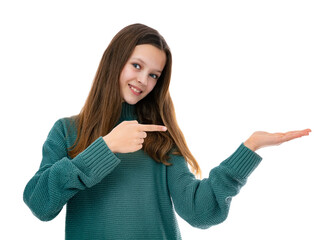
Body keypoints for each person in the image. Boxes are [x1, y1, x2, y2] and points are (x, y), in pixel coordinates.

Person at [23, 23, 311, 240]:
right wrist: (105, 147)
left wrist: (248, 149)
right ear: (114, 62)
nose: (143, 80)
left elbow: (201, 212)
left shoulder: (160, 137)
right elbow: (39, 205)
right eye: (136, 65)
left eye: (153, 75)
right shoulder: (67, 131)